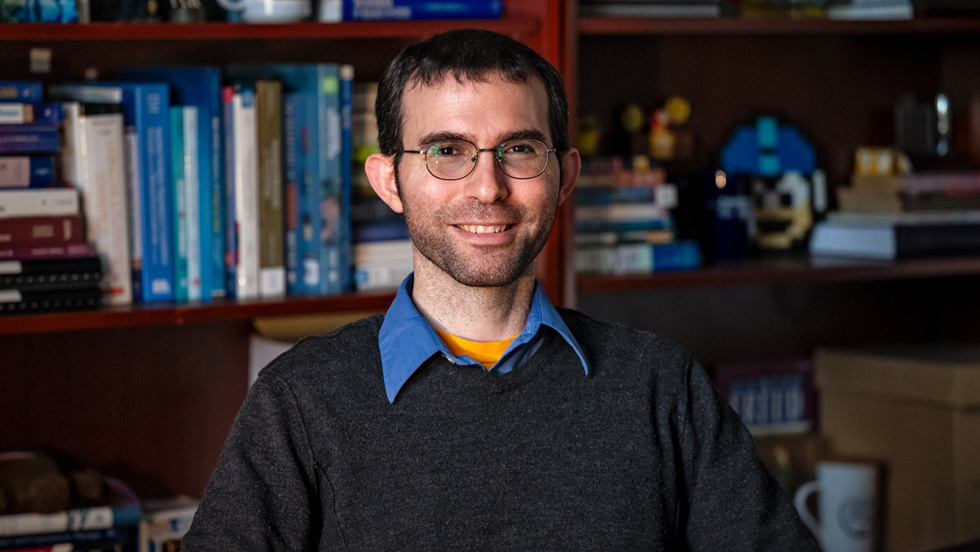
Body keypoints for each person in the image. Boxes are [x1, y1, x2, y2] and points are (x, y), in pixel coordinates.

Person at [183, 29, 819, 551]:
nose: (487, 187)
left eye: (518, 149)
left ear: (565, 174)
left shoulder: (659, 384)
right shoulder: (300, 401)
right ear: (389, 181)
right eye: (447, 151)